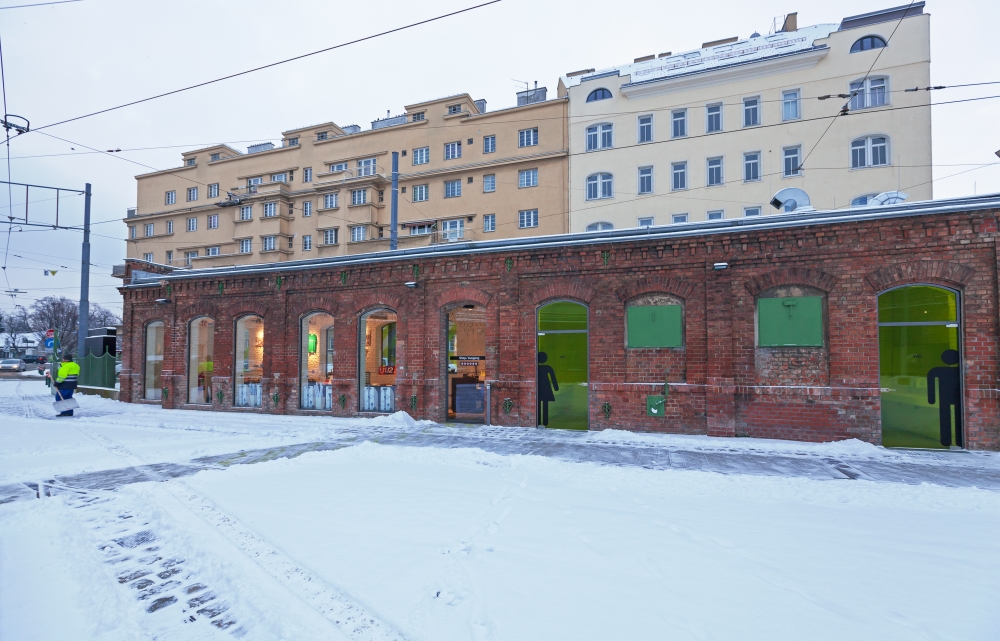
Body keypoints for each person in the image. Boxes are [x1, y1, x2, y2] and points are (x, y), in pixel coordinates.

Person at [927, 349, 962, 447]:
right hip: (957, 397)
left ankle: (946, 440)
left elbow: (931, 383)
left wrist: (931, 399)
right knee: (956, 417)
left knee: (944, 418)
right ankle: (959, 441)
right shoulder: (960, 370)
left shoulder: (936, 370)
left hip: (944, 397)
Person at [537, 352, 559, 427]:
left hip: (539, 387)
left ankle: (539, 421)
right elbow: (553, 378)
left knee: (538, 403)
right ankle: (545, 421)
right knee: (545, 404)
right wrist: (556, 387)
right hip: (546, 387)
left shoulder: (536, 367)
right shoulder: (548, 367)